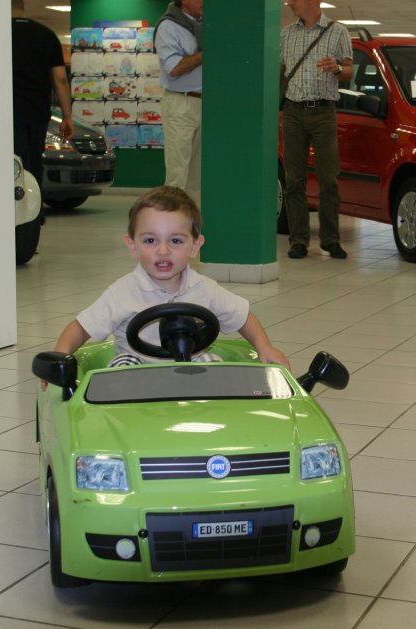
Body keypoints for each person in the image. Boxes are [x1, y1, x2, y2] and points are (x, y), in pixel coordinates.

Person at [52, 186, 290, 370]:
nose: (163, 251)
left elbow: (243, 316)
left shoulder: (204, 288)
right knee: (122, 364)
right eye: (150, 240)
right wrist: (60, 357)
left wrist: (264, 348)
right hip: (137, 376)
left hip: (190, 370)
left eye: (175, 241)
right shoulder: (122, 292)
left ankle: (210, 420)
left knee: (212, 362)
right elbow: (80, 328)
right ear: (132, 245)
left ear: (195, 246)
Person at [280, 0, 353, 260]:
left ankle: (330, 239)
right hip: (293, 112)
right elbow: (280, 72)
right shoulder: (287, 34)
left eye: (294, 0)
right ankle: (298, 240)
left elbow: (348, 71)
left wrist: (336, 68)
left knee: (328, 177)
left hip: (323, 112)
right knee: (294, 179)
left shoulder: (338, 31)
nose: (289, 3)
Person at [11, 0, 74, 208]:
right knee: (34, 161)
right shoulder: (46, 35)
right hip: (37, 112)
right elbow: (60, 79)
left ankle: (12, 210)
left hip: (7, 112)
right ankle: (35, 210)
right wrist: (67, 117)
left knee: (11, 161)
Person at [155, 0, 204, 207]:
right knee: (178, 176)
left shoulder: (206, 25)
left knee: (198, 177)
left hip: (205, 104)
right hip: (181, 103)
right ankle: (171, 227)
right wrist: (205, 54)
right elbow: (174, 68)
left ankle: (192, 231)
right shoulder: (168, 26)